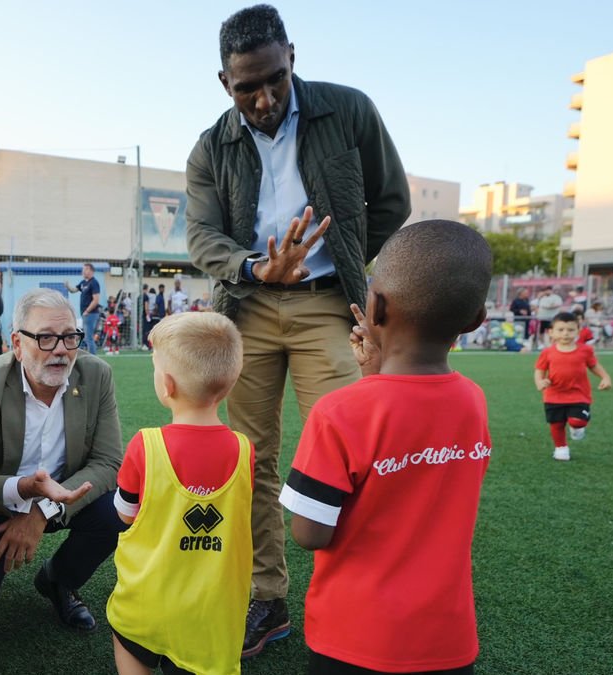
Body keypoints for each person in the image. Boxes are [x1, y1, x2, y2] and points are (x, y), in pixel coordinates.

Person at [184, 4, 410, 656]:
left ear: (292, 57)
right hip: (249, 306)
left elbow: (391, 200)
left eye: (274, 79)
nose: (264, 98)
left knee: (350, 453)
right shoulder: (210, 146)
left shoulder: (348, 110)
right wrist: (258, 267)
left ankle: (362, 594)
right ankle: (268, 598)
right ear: (223, 83)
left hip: (325, 303)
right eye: (245, 87)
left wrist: (346, 257)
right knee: (250, 459)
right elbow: (201, 237)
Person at [280, 220, 492, 674]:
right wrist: (374, 379)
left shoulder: (339, 411)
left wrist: (370, 388)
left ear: (374, 307)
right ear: (476, 320)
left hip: (353, 636)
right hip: (446, 638)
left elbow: (310, 533)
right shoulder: (473, 401)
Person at [0, 288, 121, 656]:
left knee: (115, 509)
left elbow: (109, 463)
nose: (61, 350)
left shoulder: (96, 374)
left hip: (64, 497)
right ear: (17, 344)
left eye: (70, 337)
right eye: (46, 338)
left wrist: (40, 513)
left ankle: (58, 580)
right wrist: (24, 491)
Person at [107, 312, 253, 675]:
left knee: (129, 642)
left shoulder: (146, 445)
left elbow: (125, 514)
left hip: (146, 601)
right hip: (211, 614)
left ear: (167, 385)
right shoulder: (244, 450)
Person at [535, 312, 613, 462]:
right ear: (551, 332)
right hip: (554, 395)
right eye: (560, 330)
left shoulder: (585, 350)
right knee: (556, 424)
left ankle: (577, 428)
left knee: (578, 421)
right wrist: (540, 381)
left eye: (570, 330)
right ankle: (561, 448)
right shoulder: (547, 352)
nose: (565, 333)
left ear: (578, 331)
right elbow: (540, 370)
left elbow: (594, 365)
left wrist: (605, 377)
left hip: (579, 394)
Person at [66, 263, 101, 355]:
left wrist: (87, 311)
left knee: (89, 337)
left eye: (85, 269)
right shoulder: (83, 282)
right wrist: (68, 286)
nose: (83, 271)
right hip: (85, 314)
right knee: (87, 337)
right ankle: (90, 355)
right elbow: (73, 290)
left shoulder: (94, 283)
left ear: (91, 271)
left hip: (91, 314)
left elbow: (96, 300)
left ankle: (93, 357)